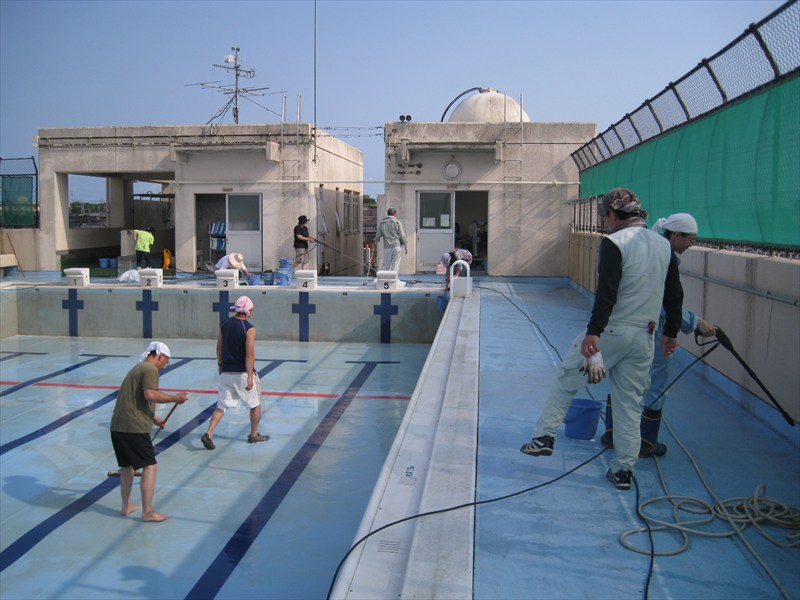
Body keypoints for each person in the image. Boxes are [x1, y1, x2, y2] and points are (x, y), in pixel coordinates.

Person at [519, 188, 683, 491]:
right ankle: (623, 471)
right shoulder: (664, 246)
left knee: (567, 378)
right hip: (645, 336)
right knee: (629, 404)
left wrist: (593, 332)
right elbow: (674, 294)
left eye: (604, 216)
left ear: (611, 214)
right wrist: (671, 333)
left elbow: (607, 291)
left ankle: (544, 436)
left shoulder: (614, 242)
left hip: (611, 331)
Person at [601, 212, 716, 457]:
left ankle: (612, 433)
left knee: (622, 380)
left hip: (626, 326)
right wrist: (694, 322)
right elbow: (667, 302)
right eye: (690, 239)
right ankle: (645, 442)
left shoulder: (645, 249)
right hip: (654, 330)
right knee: (656, 385)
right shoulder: (663, 256)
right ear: (676, 235)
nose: (691, 244)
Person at [110, 341, 188, 522]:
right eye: (166, 361)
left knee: (127, 466)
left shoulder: (137, 368)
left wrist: (153, 418)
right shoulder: (150, 369)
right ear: (159, 356)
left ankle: (126, 505)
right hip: (134, 428)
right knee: (150, 466)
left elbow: (133, 399)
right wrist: (174, 398)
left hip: (118, 426)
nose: (165, 366)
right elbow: (150, 394)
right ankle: (148, 512)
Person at [201, 296, 269, 449]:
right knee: (255, 404)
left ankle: (209, 433)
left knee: (221, 405)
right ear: (249, 310)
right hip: (242, 373)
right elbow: (249, 354)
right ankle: (254, 434)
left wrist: (220, 365)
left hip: (226, 372)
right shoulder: (249, 328)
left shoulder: (225, 323)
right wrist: (250, 377)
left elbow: (218, 348)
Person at [375, 208, 407, 272]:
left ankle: (383, 277)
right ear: (394, 214)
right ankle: (393, 278)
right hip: (396, 246)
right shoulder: (397, 222)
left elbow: (378, 235)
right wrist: (405, 243)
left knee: (386, 264)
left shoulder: (382, 223)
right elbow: (401, 235)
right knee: (395, 264)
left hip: (387, 246)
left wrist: (376, 241)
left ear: (388, 213)